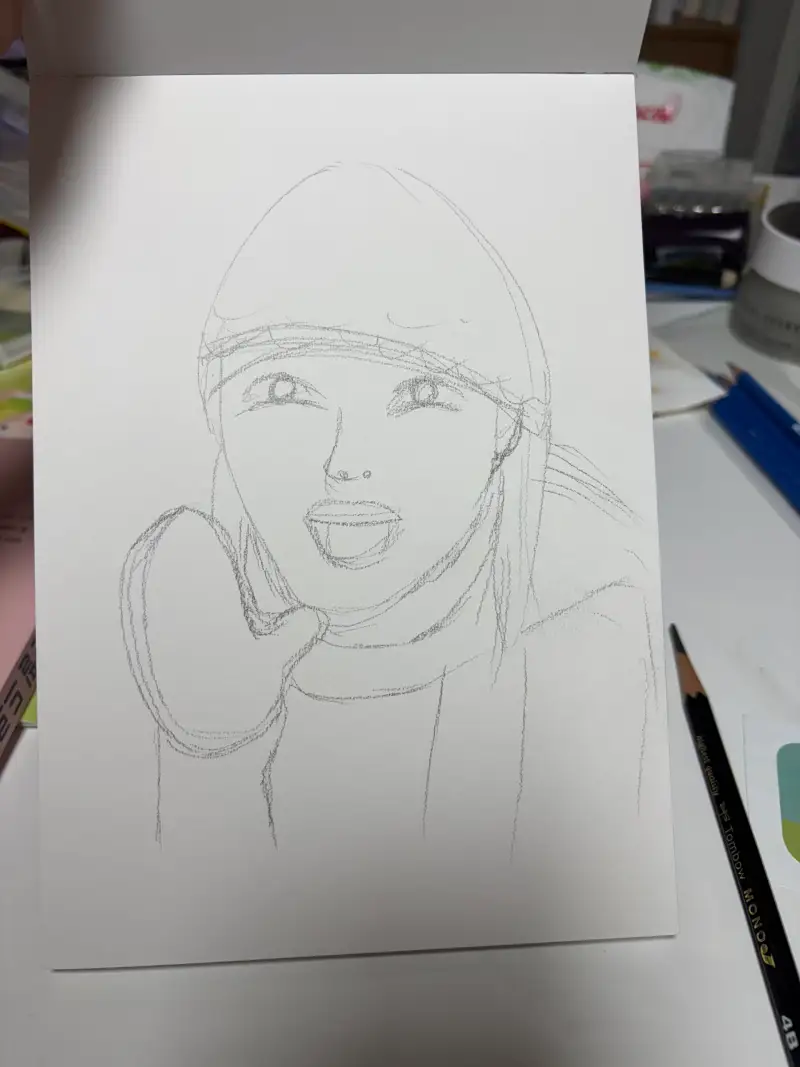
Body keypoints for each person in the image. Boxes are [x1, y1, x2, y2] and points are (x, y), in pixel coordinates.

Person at [121, 164, 656, 870]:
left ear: (505, 428)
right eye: (283, 391)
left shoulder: (590, 651)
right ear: (218, 416)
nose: (345, 462)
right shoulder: (184, 623)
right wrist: (213, 746)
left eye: (423, 394)